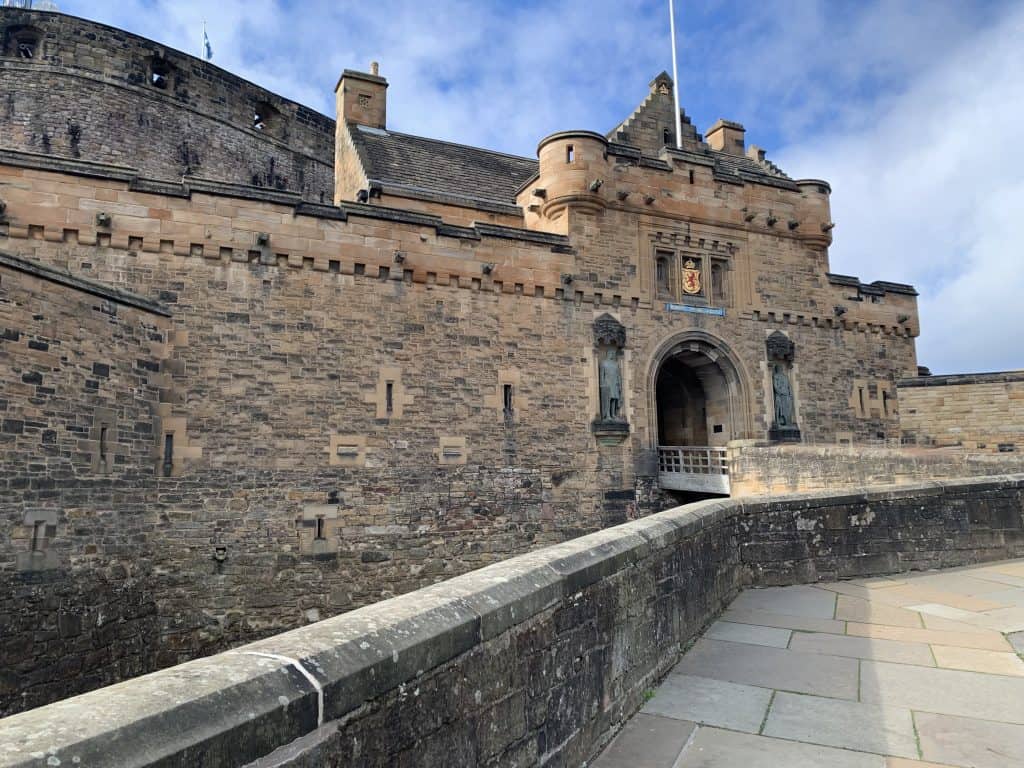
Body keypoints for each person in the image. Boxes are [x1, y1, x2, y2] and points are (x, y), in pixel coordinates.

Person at [599, 348, 623, 421]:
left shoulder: (615, 364)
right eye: (611, 353)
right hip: (607, 384)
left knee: (614, 399)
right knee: (608, 399)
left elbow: (618, 375)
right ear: (608, 353)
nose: (612, 355)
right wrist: (602, 384)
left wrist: (619, 385)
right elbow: (601, 375)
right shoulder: (604, 363)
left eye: (613, 353)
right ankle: (608, 414)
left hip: (615, 383)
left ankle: (613, 414)